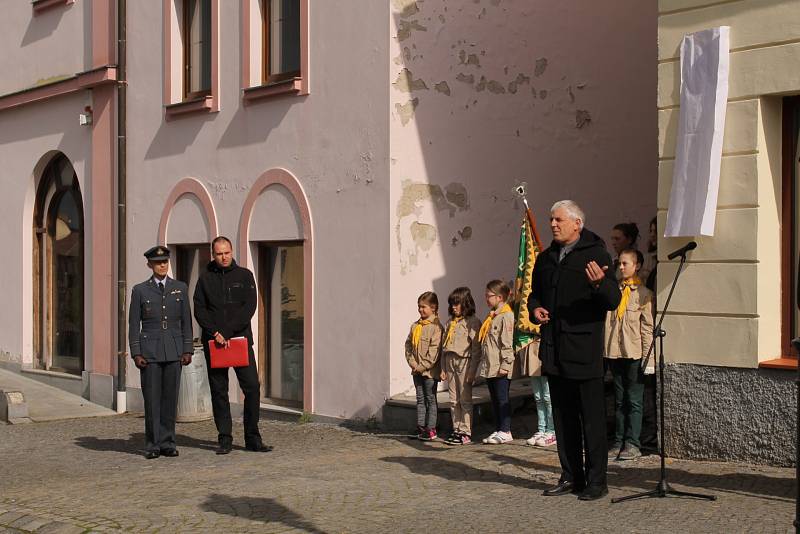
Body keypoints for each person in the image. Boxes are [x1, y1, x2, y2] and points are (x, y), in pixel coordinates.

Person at [529, 200, 621, 501]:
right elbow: (534, 296)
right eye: (551, 220)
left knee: (592, 420)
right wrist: (536, 310)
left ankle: (597, 481)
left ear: (576, 224)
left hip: (583, 350)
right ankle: (571, 476)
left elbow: (612, 300)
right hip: (554, 350)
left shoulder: (596, 254)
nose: (553, 224)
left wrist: (599, 285)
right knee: (564, 419)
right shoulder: (545, 259)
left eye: (558, 220)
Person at [193, 236, 271, 454]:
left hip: (240, 341)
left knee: (253, 388)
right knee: (219, 391)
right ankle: (224, 438)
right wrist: (215, 333)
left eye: (226, 252)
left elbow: (249, 307)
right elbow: (200, 309)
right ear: (213, 254)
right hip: (215, 343)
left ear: (232, 251)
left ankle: (252, 437)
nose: (224, 257)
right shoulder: (205, 279)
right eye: (219, 253)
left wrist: (226, 332)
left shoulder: (245, 276)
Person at [128, 246, 193, 459]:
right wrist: (136, 352)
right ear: (150, 265)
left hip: (173, 351)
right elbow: (133, 324)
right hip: (150, 352)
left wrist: (187, 349)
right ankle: (152, 445)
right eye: (158, 263)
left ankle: (168, 443)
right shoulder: (140, 290)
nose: (162, 265)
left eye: (165, 261)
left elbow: (186, 321)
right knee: (152, 400)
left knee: (169, 399)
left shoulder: (180, 288)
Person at [604, 249, 654, 461]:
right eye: (620, 264)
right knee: (619, 400)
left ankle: (633, 442)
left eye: (625, 263)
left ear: (637, 266)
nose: (621, 267)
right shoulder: (613, 292)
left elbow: (647, 328)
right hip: (615, 353)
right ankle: (619, 440)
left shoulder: (644, 294)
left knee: (634, 400)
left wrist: (648, 359)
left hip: (634, 354)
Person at [440, 287, 481, 445]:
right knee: (453, 399)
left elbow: (476, 349)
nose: (453, 307)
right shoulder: (450, 322)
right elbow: (445, 347)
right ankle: (456, 429)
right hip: (450, 360)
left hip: (464, 361)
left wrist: (472, 371)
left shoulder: (472, 322)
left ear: (466, 304)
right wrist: (443, 368)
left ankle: (465, 431)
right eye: (452, 304)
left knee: (464, 399)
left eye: (457, 304)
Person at [478, 280, 516, 445]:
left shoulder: (506, 316)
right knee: (494, 399)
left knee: (502, 398)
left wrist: (506, 365)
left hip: (500, 365)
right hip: (490, 365)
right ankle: (499, 427)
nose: (486, 298)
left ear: (500, 297)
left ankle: (506, 430)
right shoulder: (492, 316)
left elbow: (507, 343)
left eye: (489, 296)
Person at [404, 291, 444, 441]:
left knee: (430, 398)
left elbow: (434, 352)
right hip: (416, 371)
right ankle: (420, 426)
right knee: (420, 399)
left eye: (424, 307)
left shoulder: (436, 327)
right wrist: (413, 364)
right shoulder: (415, 326)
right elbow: (408, 346)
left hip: (429, 372)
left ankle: (431, 428)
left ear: (433, 308)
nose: (420, 310)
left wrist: (422, 367)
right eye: (419, 307)